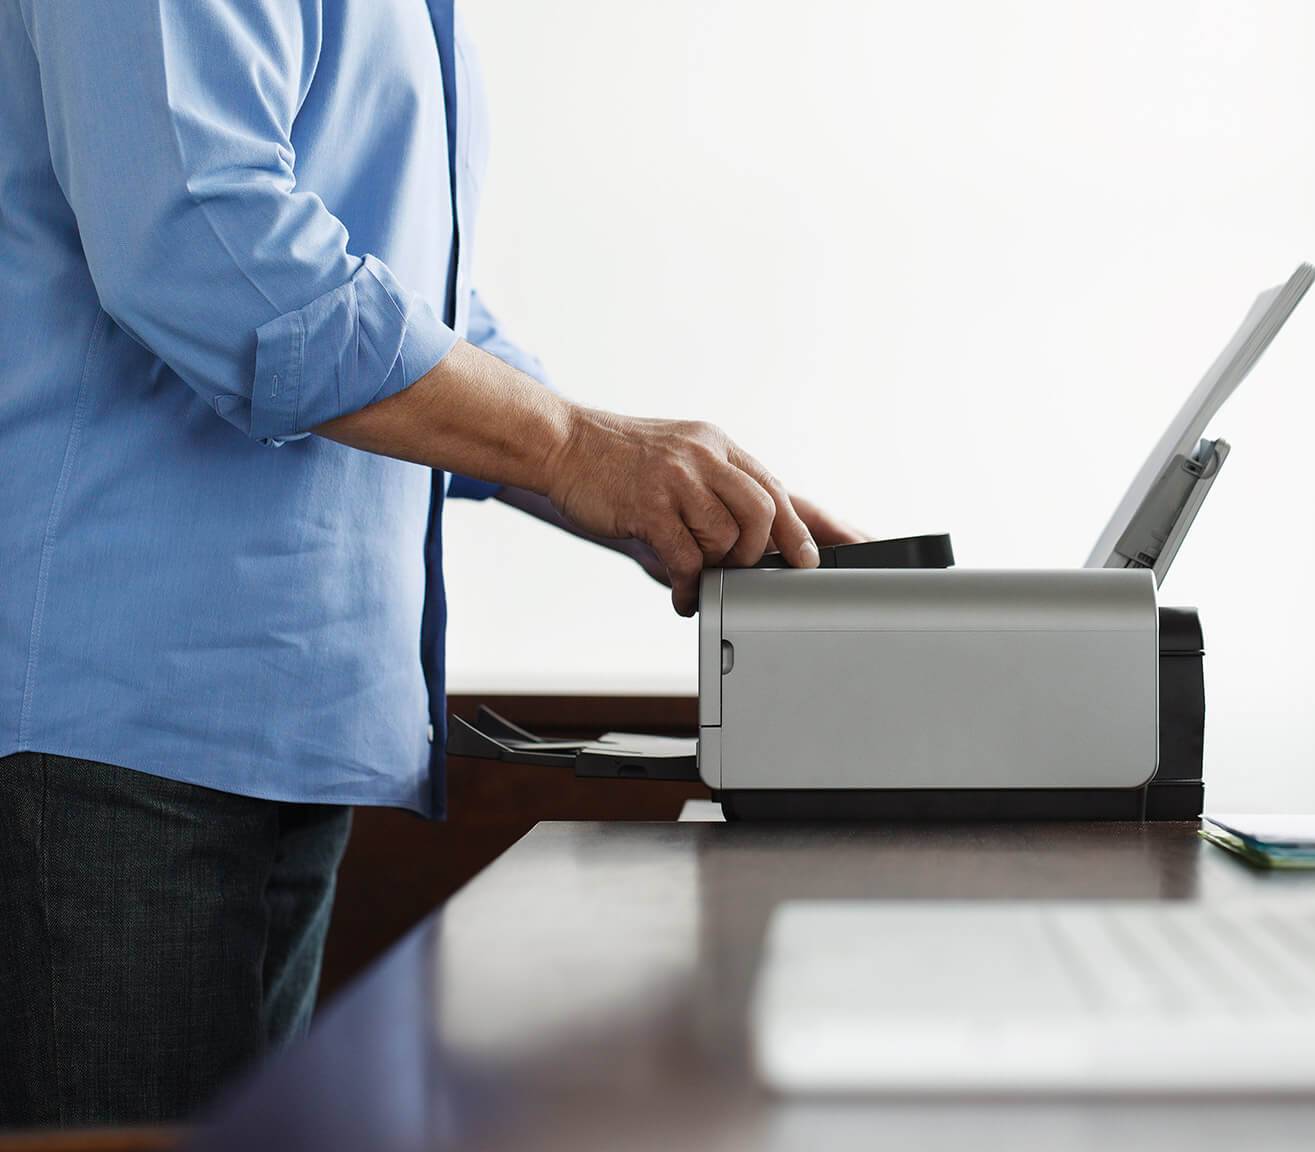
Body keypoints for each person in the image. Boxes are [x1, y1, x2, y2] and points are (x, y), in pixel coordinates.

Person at [0, 0, 860, 1128]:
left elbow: (408, 301)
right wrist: (569, 450)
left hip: (282, 710)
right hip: (119, 713)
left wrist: (637, 489)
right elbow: (202, 240)